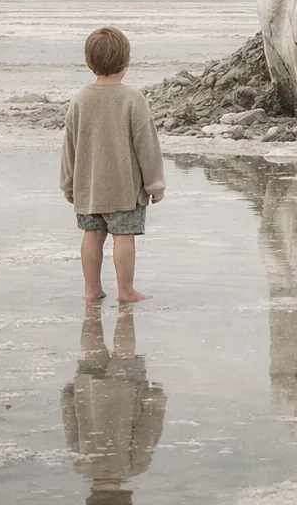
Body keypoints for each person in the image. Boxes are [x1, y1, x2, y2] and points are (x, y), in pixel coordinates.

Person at [61, 26, 165, 303]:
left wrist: (68, 182)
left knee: (92, 235)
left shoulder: (80, 99)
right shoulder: (133, 100)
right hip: (124, 189)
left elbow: (69, 145)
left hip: (88, 187)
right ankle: (126, 290)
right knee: (123, 237)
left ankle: (91, 290)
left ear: (88, 61)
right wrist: (155, 184)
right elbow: (147, 146)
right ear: (127, 60)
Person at [61, 303, 167, 504]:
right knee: (92, 351)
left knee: (124, 352)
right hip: (88, 393)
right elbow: (70, 425)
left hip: (125, 394)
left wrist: (155, 399)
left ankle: (125, 306)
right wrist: (68, 395)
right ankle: (91, 305)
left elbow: (147, 429)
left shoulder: (134, 466)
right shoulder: (80, 465)